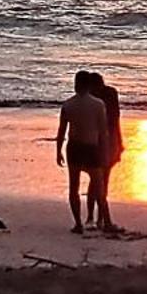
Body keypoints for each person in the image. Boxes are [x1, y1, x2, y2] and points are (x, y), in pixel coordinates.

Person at [54, 70, 110, 236]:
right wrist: (105, 152)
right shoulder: (98, 104)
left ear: (76, 84)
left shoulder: (68, 105)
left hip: (74, 147)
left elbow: (62, 131)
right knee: (99, 187)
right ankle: (106, 221)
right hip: (91, 148)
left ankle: (78, 223)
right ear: (89, 86)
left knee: (74, 187)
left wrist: (58, 151)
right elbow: (103, 132)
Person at [85, 71, 123, 233]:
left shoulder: (92, 98)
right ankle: (97, 217)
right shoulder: (108, 94)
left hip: (99, 141)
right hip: (105, 141)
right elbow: (115, 120)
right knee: (101, 180)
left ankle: (93, 217)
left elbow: (114, 120)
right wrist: (119, 142)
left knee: (96, 181)